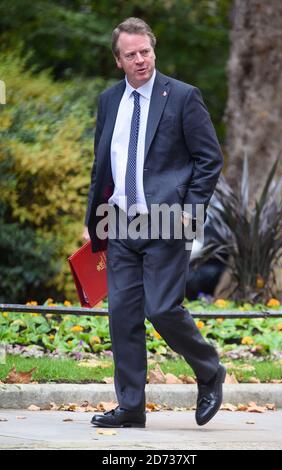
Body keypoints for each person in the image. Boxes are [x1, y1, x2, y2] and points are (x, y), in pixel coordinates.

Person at [83, 17, 226, 428]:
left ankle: (209, 370)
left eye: (145, 51)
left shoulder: (182, 96)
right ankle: (130, 407)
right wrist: (93, 219)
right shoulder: (109, 101)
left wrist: (191, 208)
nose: (141, 60)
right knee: (122, 315)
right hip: (121, 223)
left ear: (153, 50)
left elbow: (209, 158)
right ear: (118, 60)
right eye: (131, 55)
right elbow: (102, 164)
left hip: (167, 221)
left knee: (162, 308)